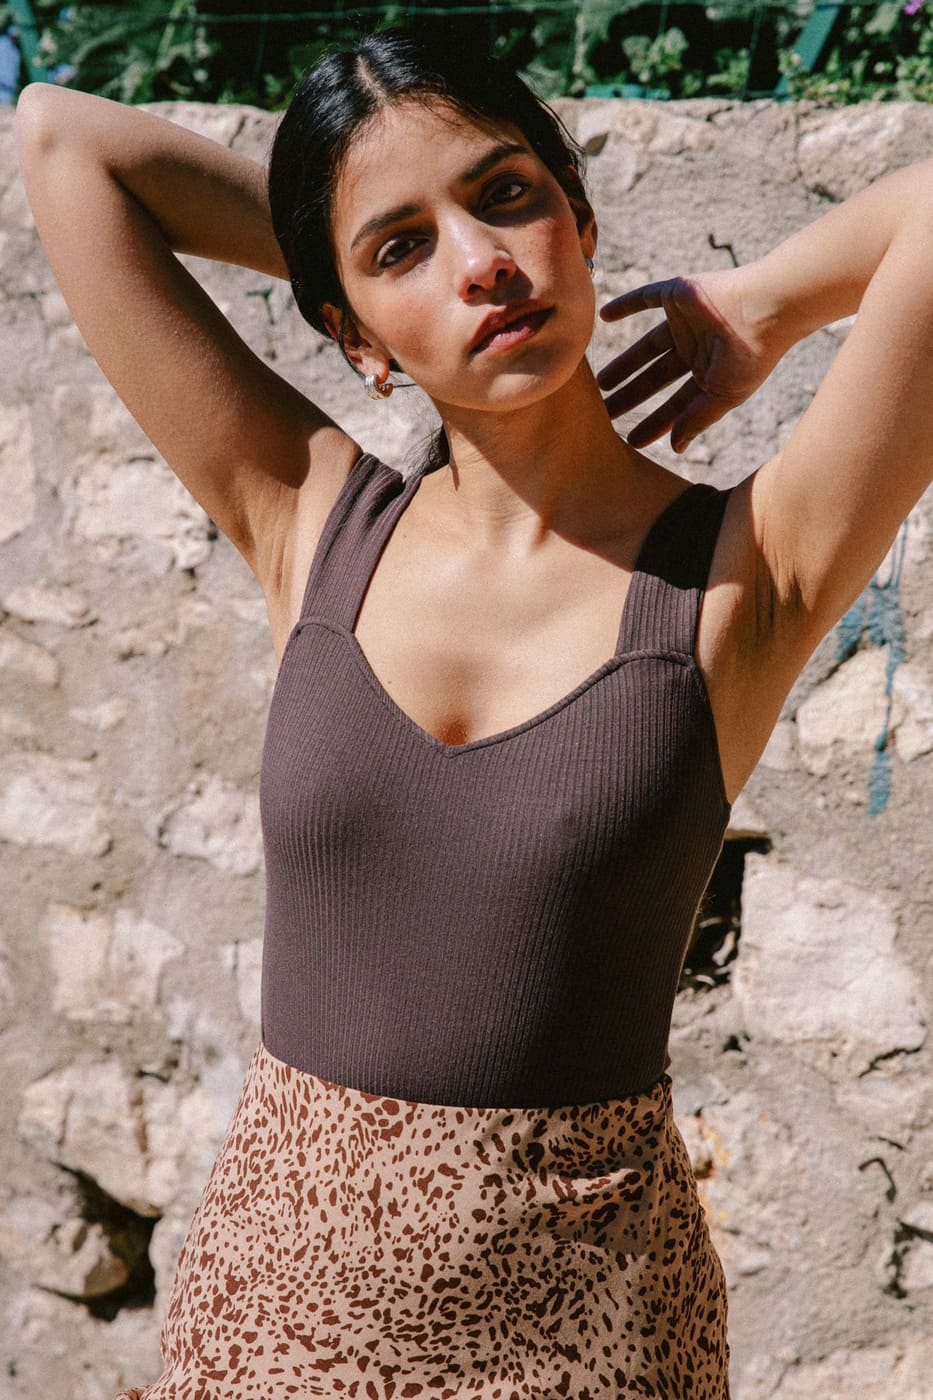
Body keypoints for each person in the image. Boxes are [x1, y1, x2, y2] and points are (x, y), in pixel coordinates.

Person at [13, 24, 932, 1400]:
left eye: (507, 196)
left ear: (579, 219)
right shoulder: (311, 521)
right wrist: (354, 277)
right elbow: (62, 139)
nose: (483, 261)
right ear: (351, 333)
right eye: (404, 246)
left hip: (590, 1342)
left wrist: (762, 304)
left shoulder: (740, 579)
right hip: (273, 1325)